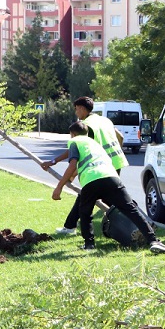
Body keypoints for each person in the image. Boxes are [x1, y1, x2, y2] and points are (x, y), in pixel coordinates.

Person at [51, 120, 165, 253]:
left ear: (72, 134)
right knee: (131, 209)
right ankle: (153, 240)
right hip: (112, 177)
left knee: (85, 213)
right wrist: (53, 161)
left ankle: (89, 245)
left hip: (91, 179)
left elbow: (73, 163)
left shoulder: (74, 142)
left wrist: (59, 187)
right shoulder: (94, 144)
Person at [42, 96, 129, 234]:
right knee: (109, 196)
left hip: (100, 165)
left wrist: (68, 176)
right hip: (116, 161)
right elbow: (121, 137)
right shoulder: (104, 119)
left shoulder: (86, 125)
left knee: (87, 195)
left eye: (76, 109)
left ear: (82, 108)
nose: (76, 113)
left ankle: (71, 227)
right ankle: (127, 224)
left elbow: (79, 148)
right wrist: (55, 161)